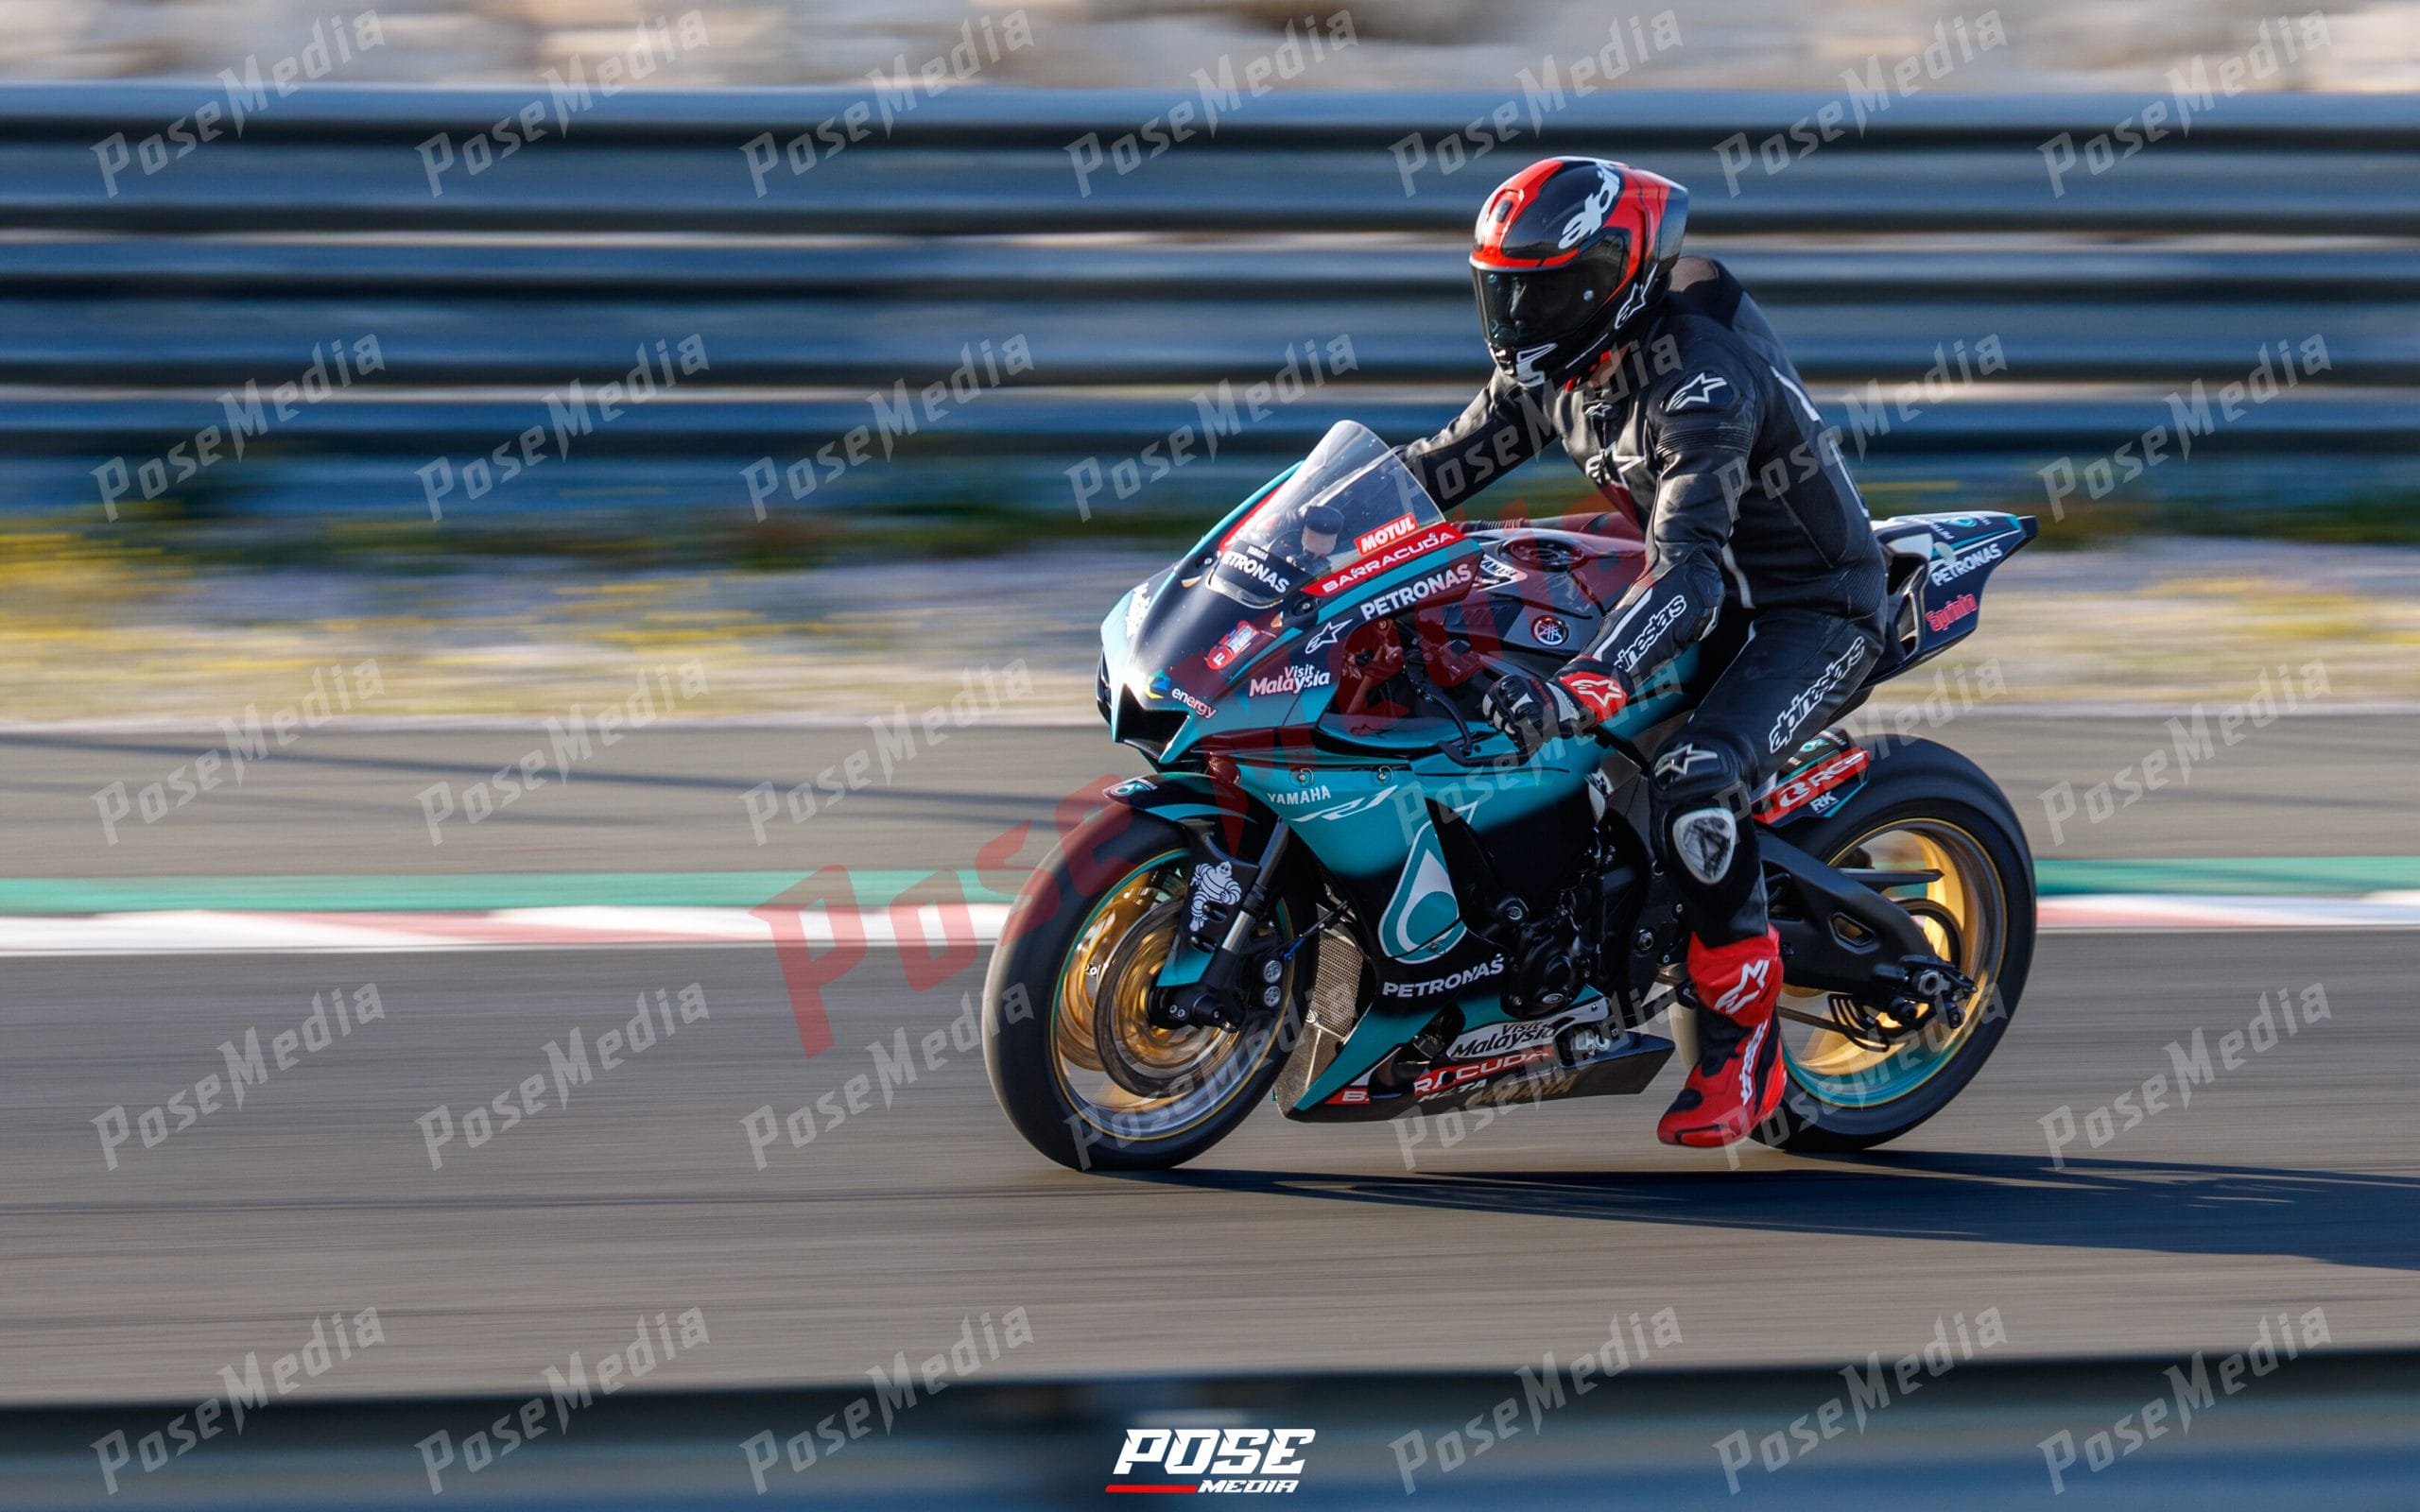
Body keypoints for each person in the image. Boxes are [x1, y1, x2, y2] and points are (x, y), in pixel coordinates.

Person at [1395, 156, 1887, 1148]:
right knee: (1470, 631)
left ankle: (1745, 1044)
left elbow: (1688, 575)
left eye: (1542, 290)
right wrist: (1314, 531)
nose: (1518, 316)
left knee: (1692, 778)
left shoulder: (1701, 384)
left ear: (1610, 279)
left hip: (1804, 610)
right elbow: (1438, 469)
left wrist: (1586, 683)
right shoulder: (1557, 365)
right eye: (1503, 290)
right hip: (1686, 586)